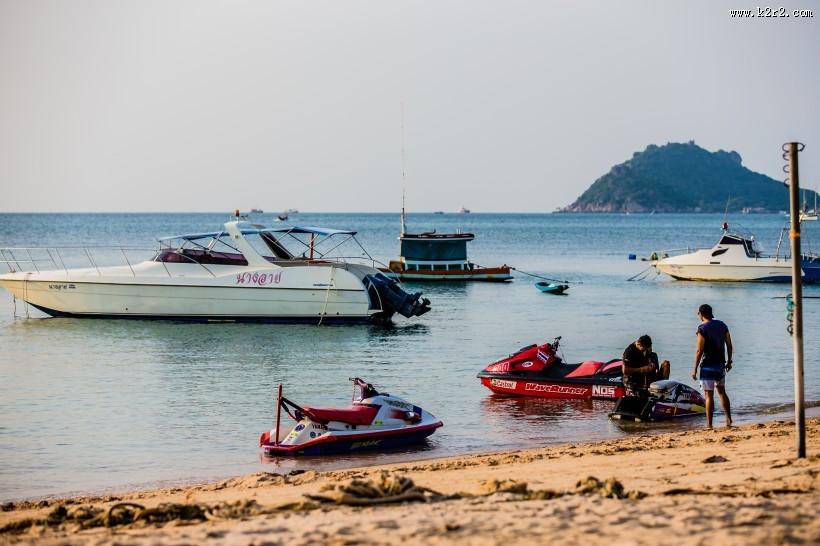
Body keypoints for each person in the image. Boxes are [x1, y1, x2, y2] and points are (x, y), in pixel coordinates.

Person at [692, 304, 733, 429]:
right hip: (720, 365)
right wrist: (729, 361)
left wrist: (695, 368)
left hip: (707, 366)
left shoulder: (702, 328)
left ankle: (709, 424)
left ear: (701, 314)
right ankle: (728, 418)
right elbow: (729, 345)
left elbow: (699, 350)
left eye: (699, 313)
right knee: (722, 392)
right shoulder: (722, 325)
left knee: (708, 395)